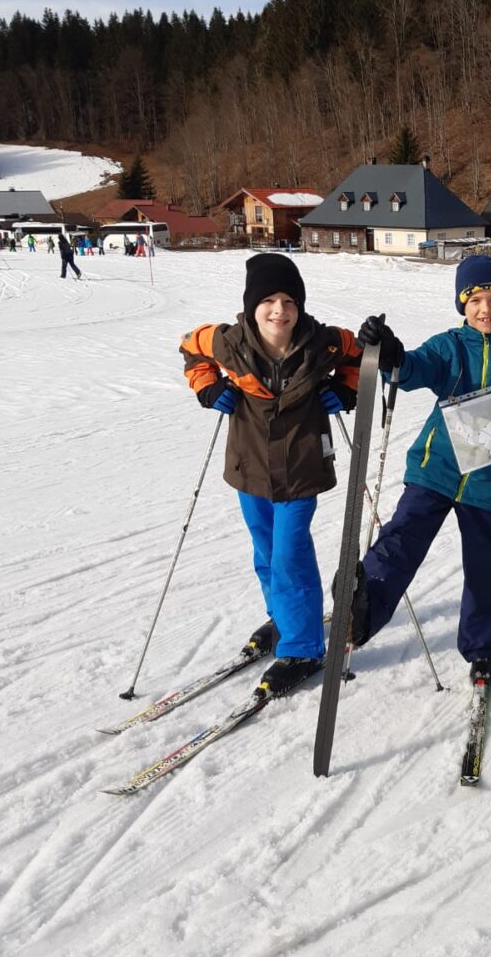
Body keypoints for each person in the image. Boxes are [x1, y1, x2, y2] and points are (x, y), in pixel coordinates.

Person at [348, 255, 491, 684]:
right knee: (403, 537)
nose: (484, 309)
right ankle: (360, 609)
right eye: (474, 301)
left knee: (485, 567)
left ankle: (482, 649)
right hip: (436, 468)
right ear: (461, 306)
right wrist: (389, 350)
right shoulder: (450, 347)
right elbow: (412, 369)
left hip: (489, 482)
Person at [180, 254, 363, 695]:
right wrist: (208, 387)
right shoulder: (228, 341)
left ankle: (302, 648)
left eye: (289, 301)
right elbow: (189, 346)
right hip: (249, 465)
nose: (279, 311)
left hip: (301, 468)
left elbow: (360, 353)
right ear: (251, 305)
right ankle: (283, 617)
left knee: (289, 555)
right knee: (265, 550)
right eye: (269, 301)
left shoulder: (325, 343)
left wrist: (345, 388)